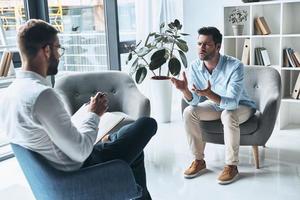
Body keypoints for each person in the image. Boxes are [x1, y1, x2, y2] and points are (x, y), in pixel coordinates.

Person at [0, 19, 157, 199]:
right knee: (147, 124)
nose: (59, 55)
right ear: (47, 50)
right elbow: (81, 152)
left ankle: (138, 192)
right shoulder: (42, 96)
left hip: (58, 167)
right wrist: (94, 114)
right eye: (58, 48)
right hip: (81, 169)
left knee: (134, 150)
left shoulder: (12, 92)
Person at [171, 27, 256, 184]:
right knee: (189, 111)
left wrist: (209, 94)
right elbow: (195, 100)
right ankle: (199, 161)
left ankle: (231, 166)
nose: (201, 48)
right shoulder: (195, 66)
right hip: (216, 104)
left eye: (206, 45)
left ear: (218, 47)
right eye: (199, 44)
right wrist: (185, 91)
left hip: (241, 105)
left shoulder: (235, 66)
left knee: (228, 114)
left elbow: (231, 103)